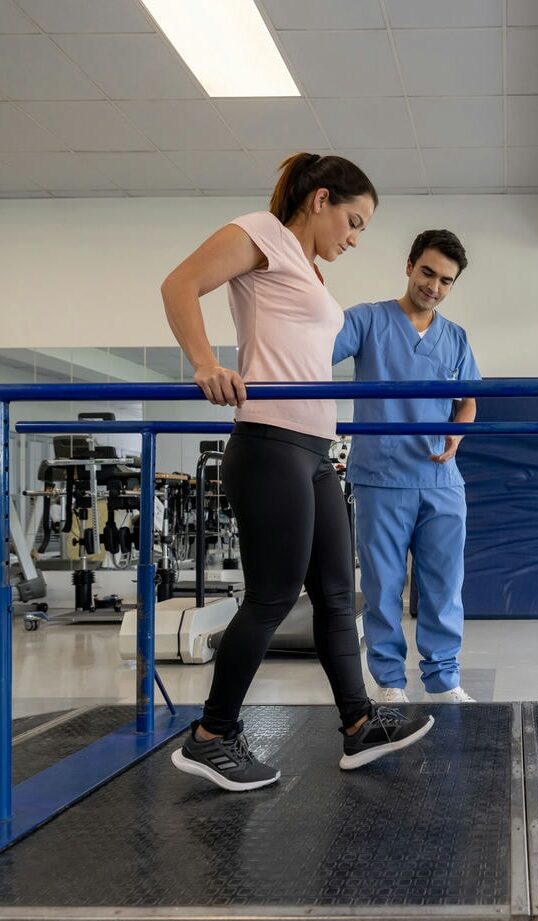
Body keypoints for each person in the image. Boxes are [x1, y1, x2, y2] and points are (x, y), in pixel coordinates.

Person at [160, 153, 434, 792]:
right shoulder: (262, 233)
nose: (355, 237)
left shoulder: (305, 269)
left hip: (313, 451)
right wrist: (204, 363)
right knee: (273, 597)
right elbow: (179, 285)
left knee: (338, 594)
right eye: (354, 221)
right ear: (320, 200)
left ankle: (358, 724)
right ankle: (211, 735)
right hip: (269, 443)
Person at [334, 229, 480, 704]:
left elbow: (468, 403)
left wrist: (458, 431)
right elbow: (313, 351)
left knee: (444, 585)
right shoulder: (367, 321)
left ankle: (443, 680)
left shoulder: (455, 338)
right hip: (381, 476)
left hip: (440, 479)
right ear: (409, 266)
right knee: (382, 587)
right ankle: (390, 683)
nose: (434, 286)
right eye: (427, 272)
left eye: (446, 280)